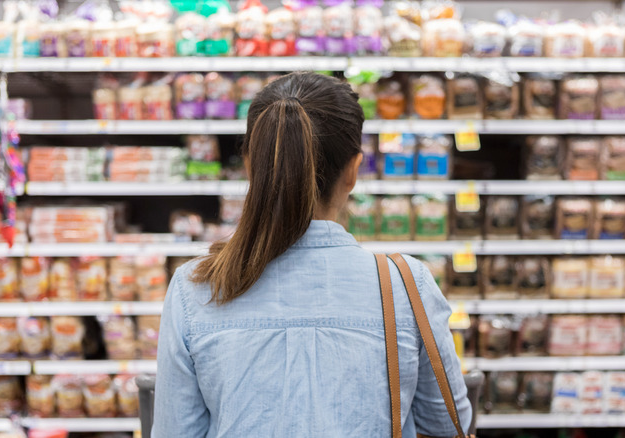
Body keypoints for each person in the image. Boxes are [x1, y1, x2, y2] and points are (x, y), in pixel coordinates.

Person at [154, 72, 471, 437]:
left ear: (250, 168)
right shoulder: (404, 283)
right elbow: (450, 424)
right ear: (353, 171)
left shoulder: (196, 287)